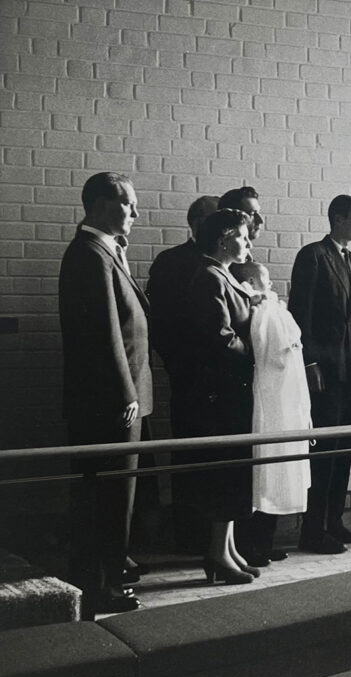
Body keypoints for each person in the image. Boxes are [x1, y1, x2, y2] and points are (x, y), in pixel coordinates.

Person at [59, 172, 151, 616]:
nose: (135, 212)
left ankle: (104, 578)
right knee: (108, 498)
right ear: (99, 204)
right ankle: (99, 587)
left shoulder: (105, 251)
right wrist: (125, 395)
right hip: (111, 402)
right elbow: (105, 333)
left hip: (119, 398)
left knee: (116, 496)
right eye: (127, 203)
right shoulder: (91, 254)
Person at [179, 208, 259, 585]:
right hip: (220, 392)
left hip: (232, 390)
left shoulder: (222, 275)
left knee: (233, 472)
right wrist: (255, 349)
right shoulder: (209, 277)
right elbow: (220, 337)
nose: (248, 243)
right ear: (225, 237)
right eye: (243, 237)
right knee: (224, 472)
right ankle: (216, 553)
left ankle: (226, 549)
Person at [288, 194, 351, 553]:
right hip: (322, 370)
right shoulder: (313, 256)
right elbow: (300, 315)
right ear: (337, 219)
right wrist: (308, 364)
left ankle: (334, 520)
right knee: (323, 452)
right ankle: (313, 528)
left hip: (347, 368)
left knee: (343, 450)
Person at [148, 194, 219, 556]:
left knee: (222, 461)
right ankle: (189, 536)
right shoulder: (170, 262)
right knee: (189, 455)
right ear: (193, 223)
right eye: (207, 219)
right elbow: (158, 323)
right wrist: (180, 364)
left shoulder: (229, 259)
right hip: (190, 376)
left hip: (224, 381)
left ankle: (220, 540)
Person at [217, 186, 284, 566]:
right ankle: (239, 544)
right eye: (249, 215)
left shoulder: (248, 261)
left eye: (258, 216)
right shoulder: (221, 268)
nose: (257, 223)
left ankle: (258, 539)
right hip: (238, 376)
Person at [230, 261, 312, 522]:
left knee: (283, 458)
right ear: (251, 283)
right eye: (266, 280)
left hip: (286, 391)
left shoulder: (271, 307)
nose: (272, 285)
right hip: (268, 391)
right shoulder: (257, 309)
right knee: (267, 460)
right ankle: (256, 538)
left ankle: (267, 535)